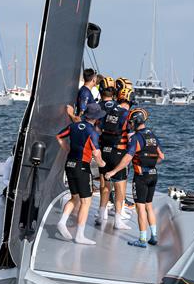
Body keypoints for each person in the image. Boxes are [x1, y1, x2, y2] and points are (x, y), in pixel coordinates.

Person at [105, 108, 165, 248]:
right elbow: (161, 157)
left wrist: (113, 171)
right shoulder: (152, 135)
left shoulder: (136, 138)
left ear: (136, 122)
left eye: (131, 122)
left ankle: (142, 239)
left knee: (140, 208)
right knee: (149, 206)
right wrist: (149, 163)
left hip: (141, 178)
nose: (129, 124)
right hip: (153, 174)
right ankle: (154, 236)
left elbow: (127, 158)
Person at [55, 103, 106, 245]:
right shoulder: (92, 132)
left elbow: (58, 136)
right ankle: (80, 235)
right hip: (82, 168)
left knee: (75, 197)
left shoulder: (73, 126)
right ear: (96, 118)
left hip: (69, 164)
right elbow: (96, 153)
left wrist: (66, 148)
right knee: (86, 201)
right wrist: (102, 164)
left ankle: (62, 221)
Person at [96, 85, 133, 228]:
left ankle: (101, 215)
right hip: (118, 153)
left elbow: (98, 130)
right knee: (120, 188)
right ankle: (118, 221)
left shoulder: (108, 112)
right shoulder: (126, 115)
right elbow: (130, 137)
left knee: (105, 185)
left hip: (105, 152)